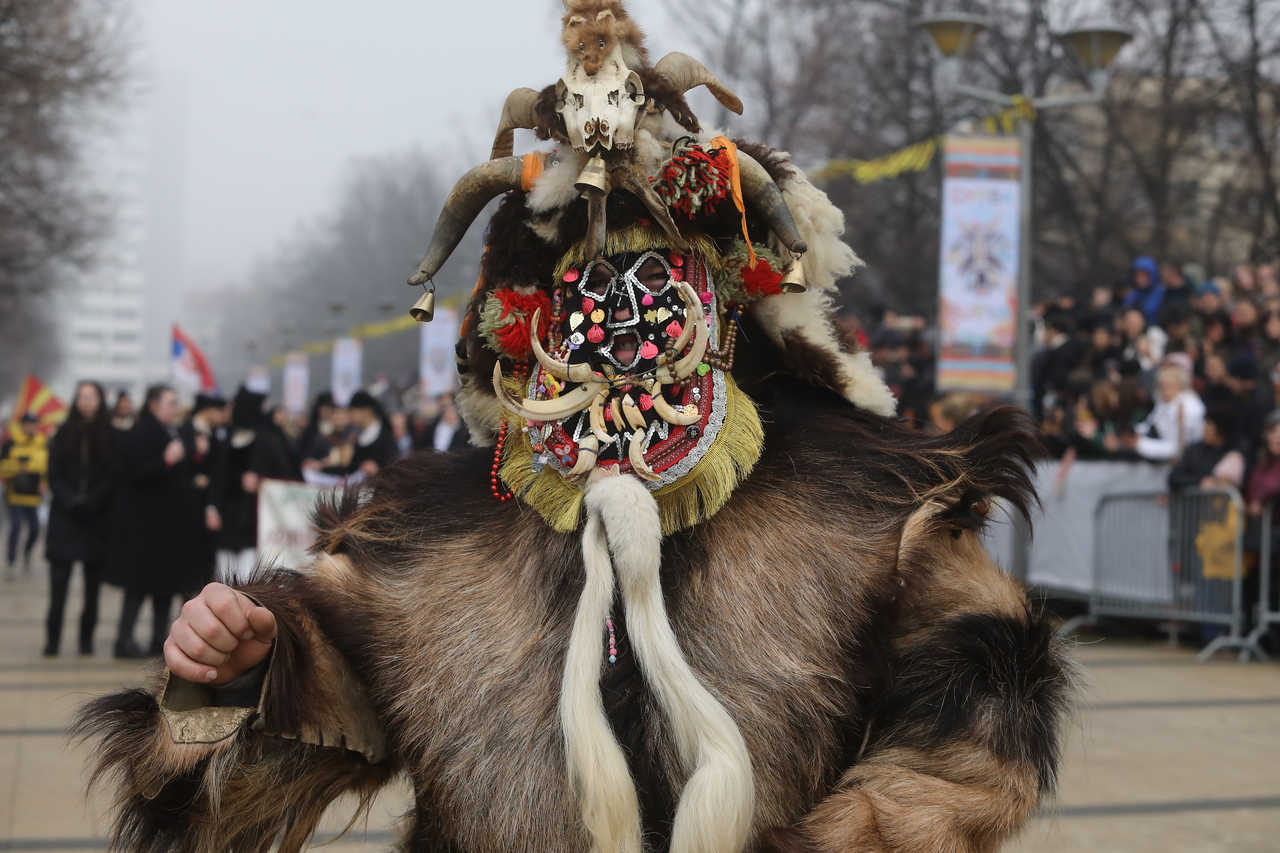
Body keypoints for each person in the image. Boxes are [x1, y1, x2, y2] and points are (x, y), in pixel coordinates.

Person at [104, 385, 202, 658]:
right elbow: (136, 473)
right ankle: (124, 640)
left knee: (165, 588)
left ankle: (159, 638)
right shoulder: (143, 433)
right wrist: (166, 461)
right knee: (138, 588)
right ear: (154, 405)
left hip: (166, 529)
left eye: (176, 402)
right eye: (170, 402)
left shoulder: (171, 431)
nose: (174, 408)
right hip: (145, 528)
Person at [44, 382, 115, 656]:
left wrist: (92, 501)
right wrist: (71, 501)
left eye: (92, 396)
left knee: (92, 591)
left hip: (95, 522)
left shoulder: (109, 435)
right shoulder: (62, 433)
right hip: (65, 519)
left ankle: (86, 640)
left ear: (99, 400)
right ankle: (52, 640)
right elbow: (54, 474)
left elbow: (112, 475)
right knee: (58, 588)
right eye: (82, 396)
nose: (86, 401)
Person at [213, 388, 267, 583]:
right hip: (227, 519)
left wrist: (261, 481)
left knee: (247, 580)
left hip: (252, 522)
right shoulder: (227, 439)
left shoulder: (266, 440)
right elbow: (217, 478)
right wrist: (212, 508)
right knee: (224, 578)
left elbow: (288, 475)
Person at [179, 393, 227, 586]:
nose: (223, 416)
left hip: (207, 513)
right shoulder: (184, 432)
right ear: (207, 411)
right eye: (220, 411)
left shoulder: (216, 436)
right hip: (186, 511)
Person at [1, 413, 49, 575]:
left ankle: (27, 553)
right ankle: (11, 561)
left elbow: (49, 468)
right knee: (15, 527)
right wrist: (15, 468)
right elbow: (2, 467)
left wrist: (45, 482)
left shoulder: (44, 444)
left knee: (35, 529)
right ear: (22, 425)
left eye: (33, 423)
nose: (30, 426)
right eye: (27, 423)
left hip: (34, 495)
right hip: (14, 494)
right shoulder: (11, 443)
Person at [1131, 365, 1205, 462]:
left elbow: (1176, 449)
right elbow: (1150, 424)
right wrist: (1132, 435)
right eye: (1162, 386)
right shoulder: (1163, 402)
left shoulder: (1188, 408)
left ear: (1180, 386)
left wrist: (1139, 444)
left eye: (1169, 386)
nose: (1164, 390)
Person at [347, 390, 399, 476]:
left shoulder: (386, 436)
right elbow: (352, 469)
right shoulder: (359, 437)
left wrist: (378, 470)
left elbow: (394, 466)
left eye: (352, 411)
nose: (350, 416)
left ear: (366, 411)